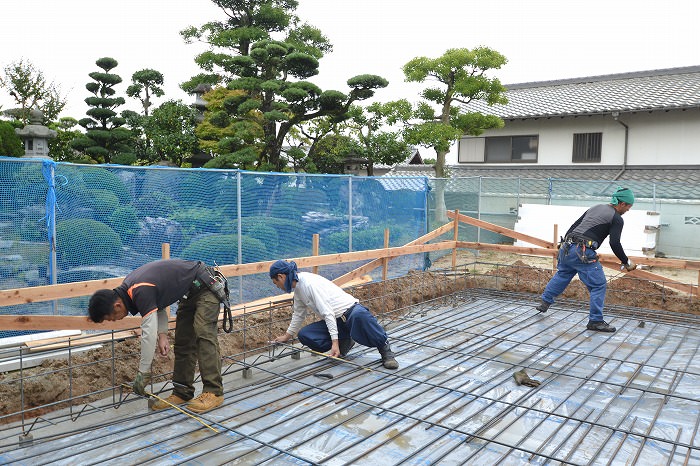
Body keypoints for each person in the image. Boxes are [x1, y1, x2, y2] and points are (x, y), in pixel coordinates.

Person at [88, 259, 228, 413]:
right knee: (183, 341)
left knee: (203, 333)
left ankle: (214, 392)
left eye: (112, 318)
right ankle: (182, 392)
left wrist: (143, 372)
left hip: (205, 285)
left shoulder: (139, 290)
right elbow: (158, 306)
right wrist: (163, 336)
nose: (115, 320)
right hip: (190, 292)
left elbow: (148, 333)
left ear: (117, 306)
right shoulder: (131, 290)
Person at [535, 187, 638, 332]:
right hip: (582, 251)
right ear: (622, 204)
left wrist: (564, 245)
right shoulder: (616, 218)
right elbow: (614, 243)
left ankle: (545, 302)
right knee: (598, 285)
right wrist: (626, 261)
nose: (627, 210)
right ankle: (595, 321)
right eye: (628, 207)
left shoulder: (596, 207)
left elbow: (574, 226)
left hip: (567, 247)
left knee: (563, 274)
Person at [269, 260, 399, 369]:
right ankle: (346, 340)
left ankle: (385, 350)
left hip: (351, 313)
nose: (278, 286)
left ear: (281, 276)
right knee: (305, 335)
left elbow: (328, 313)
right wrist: (287, 336)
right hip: (337, 321)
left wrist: (334, 344)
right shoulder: (298, 289)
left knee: (361, 316)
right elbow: (298, 314)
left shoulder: (309, 284)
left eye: (276, 283)